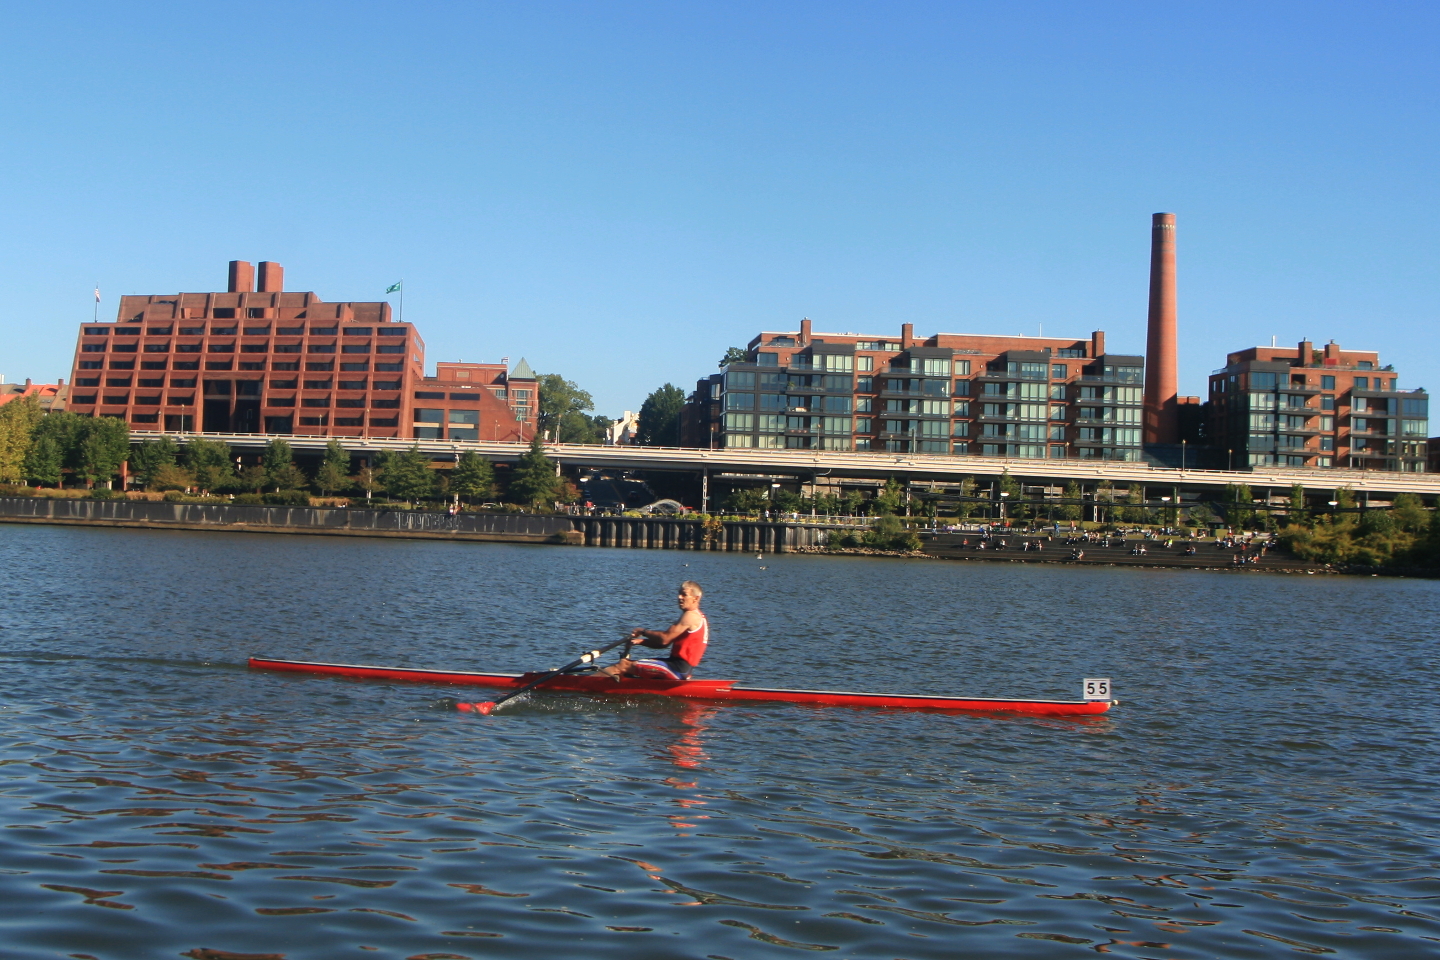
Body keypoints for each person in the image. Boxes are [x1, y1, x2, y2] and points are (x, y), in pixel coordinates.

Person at [599, 580, 709, 681]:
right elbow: (664, 644)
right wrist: (641, 642)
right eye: (679, 593)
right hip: (680, 668)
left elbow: (664, 639)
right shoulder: (698, 617)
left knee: (623, 665)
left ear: (696, 598)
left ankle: (584, 686)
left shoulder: (690, 616)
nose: (679, 597)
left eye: (684, 594)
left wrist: (643, 631)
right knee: (630, 668)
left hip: (677, 668)